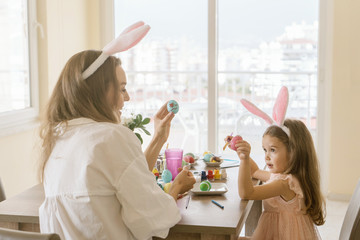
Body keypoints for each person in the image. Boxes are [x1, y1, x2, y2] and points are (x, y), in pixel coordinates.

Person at [38, 22, 196, 240]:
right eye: (122, 89)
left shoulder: (57, 138)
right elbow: (155, 219)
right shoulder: (110, 136)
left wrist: (158, 138)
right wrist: (177, 187)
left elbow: (118, 181)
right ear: (99, 92)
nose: (128, 97)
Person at [228, 87, 325, 240]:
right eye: (265, 150)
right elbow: (254, 171)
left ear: (294, 151)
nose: (267, 157)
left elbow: (247, 193)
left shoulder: (284, 184)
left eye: (272, 150)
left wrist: (244, 159)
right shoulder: (284, 177)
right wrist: (241, 151)